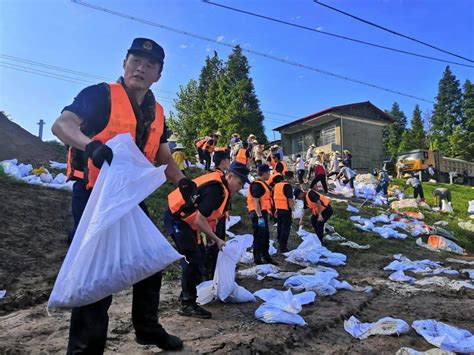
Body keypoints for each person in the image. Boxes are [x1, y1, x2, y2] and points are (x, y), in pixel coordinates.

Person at [51, 38, 187, 352]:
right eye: (135, 61)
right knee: (96, 276)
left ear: (158, 75)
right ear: (124, 64)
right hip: (94, 199)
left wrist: (182, 181)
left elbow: (164, 154)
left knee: (151, 260)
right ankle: (85, 349)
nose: (141, 68)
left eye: (149, 65)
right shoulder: (100, 96)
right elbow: (62, 125)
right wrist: (91, 145)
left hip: (130, 197)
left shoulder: (158, 111)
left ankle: (147, 328)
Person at [165, 161, 249, 318]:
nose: (240, 187)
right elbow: (198, 219)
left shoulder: (222, 189)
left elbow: (206, 215)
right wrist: (216, 239)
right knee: (191, 257)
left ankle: (188, 294)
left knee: (200, 256)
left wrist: (211, 236)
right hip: (177, 219)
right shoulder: (216, 190)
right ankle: (187, 304)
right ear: (229, 176)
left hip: (188, 222)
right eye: (239, 183)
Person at [204, 150, 231, 278]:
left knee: (214, 244)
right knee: (214, 244)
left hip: (216, 216)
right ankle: (211, 273)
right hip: (214, 218)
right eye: (228, 159)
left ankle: (212, 271)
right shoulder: (218, 177)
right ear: (223, 161)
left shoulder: (213, 174)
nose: (229, 162)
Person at [247, 164, 277, 265]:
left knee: (265, 236)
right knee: (259, 236)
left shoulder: (262, 184)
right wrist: (259, 216)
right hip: (257, 214)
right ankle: (258, 259)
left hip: (261, 213)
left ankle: (266, 256)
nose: (270, 174)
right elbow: (256, 201)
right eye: (268, 172)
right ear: (264, 173)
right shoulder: (257, 185)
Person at [273, 171, 295, 253]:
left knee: (280, 226)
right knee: (286, 228)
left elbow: (275, 197)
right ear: (291, 178)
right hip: (286, 209)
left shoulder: (277, 185)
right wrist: (293, 209)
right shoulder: (287, 186)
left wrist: (276, 209)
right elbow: (290, 199)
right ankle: (283, 247)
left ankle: (279, 240)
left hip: (278, 208)